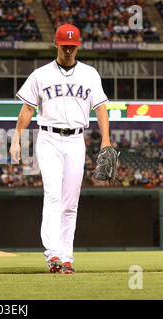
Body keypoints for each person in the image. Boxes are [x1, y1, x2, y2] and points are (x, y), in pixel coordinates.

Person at [10, 24, 111, 274]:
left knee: (70, 202)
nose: (68, 49)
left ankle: (67, 257)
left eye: (72, 45)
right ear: (56, 44)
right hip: (49, 139)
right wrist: (16, 138)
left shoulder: (90, 74)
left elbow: (100, 109)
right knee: (53, 195)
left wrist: (106, 139)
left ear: (78, 45)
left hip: (77, 140)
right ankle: (52, 253)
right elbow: (27, 109)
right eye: (64, 45)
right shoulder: (40, 74)